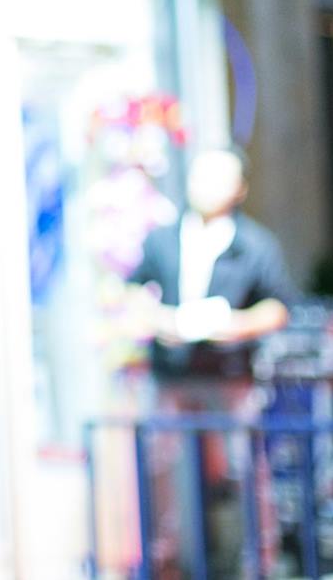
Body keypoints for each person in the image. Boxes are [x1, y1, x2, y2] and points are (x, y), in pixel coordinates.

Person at [127, 146, 300, 580]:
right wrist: (156, 318)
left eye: (219, 177)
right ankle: (165, 560)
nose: (206, 185)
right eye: (202, 175)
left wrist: (235, 325)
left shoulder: (254, 243)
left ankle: (257, 562)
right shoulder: (162, 237)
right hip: (171, 372)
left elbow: (279, 306)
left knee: (244, 467)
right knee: (163, 468)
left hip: (229, 375)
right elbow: (130, 288)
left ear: (240, 188)